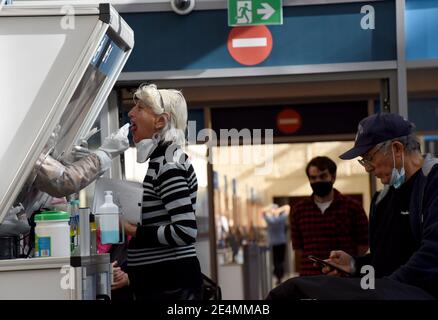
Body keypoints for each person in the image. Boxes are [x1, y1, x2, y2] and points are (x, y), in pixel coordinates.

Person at [267, 112, 438, 300]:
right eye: (363, 161)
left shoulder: (432, 184)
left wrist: (385, 289)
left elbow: (432, 254)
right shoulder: (382, 200)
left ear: (397, 149)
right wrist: (354, 265)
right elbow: (382, 260)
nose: (367, 168)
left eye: (369, 157)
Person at [122, 84, 203, 301]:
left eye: (140, 108)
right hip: (167, 283)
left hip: (172, 287)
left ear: (160, 121)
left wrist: (133, 230)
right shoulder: (164, 159)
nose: (131, 113)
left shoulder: (168, 164)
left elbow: (185, 231)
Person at [290, 156, 369, 276]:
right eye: (313, 178)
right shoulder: (299, 210)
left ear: (333, 177)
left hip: (342, 278)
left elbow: (363, 245)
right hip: (310, 277)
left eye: (322, 176)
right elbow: (298, 248)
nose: (317, 181)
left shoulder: (352, 207)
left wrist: (350, 266)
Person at [263, 204, 290, 285]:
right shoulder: (281, 219)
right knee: (281, 261)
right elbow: (288, 207)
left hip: (273, 243)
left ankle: (278, 276)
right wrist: (279, 210)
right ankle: (280, 276)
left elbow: (262, 211)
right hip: (281, 242)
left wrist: (270, 210)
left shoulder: (269, 220)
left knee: (275, 261)